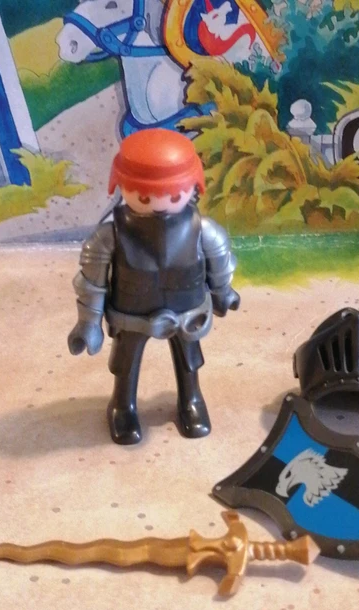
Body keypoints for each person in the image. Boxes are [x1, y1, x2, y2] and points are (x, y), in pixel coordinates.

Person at [68, 129, 240, 445]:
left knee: (190, 360)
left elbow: (220, 262)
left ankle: (191, 401)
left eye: (173, 196)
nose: (160, 205)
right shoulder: (109, 237)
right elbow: (92, 282)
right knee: (125, 364)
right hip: (130, 316)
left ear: (194, 188)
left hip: (187, 315)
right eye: (145, 197)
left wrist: (223, 293)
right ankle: (122, 406)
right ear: (122, 187)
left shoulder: (204, 231)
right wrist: (88, 324)